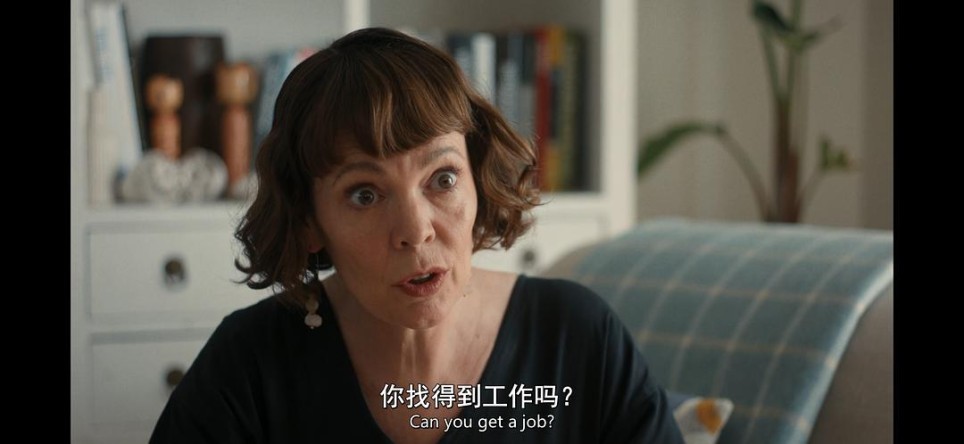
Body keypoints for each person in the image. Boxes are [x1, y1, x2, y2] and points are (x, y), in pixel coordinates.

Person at [150, 27, 684, 444]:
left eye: (443, 179)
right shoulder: (249, 367)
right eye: (365, 194)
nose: (415, 230)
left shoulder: (577, 339)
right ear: (308, 220)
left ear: (478, 179)